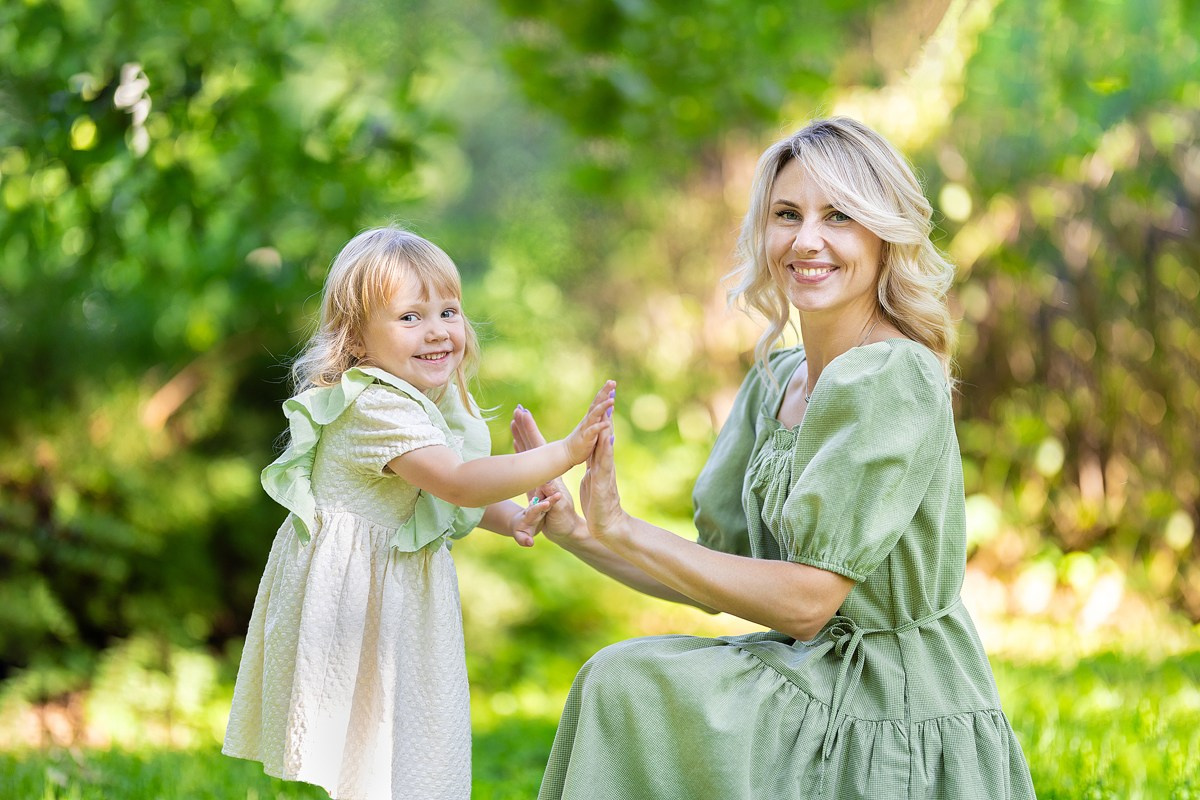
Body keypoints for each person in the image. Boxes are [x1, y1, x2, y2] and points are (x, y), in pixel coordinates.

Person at [513, 118, 1037, 799]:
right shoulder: (777, 382)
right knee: (615, 678)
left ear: (884, 235)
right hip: (808, 680)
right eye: (787, 215)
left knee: (625, 682)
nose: (806, 239)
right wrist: (581, 532)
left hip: (891, 710)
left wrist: (625, 528)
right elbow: (715, 579)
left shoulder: (889, 377)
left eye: (839, 216)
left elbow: (807, 602)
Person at [222, 226, 615, 800]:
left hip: (400, 591)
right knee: (377, 754)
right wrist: (565, 452)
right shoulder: (372, 404)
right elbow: (455, 482)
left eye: (448, 312)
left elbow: (434, 497)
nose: (437, 332)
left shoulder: (424, 399)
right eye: (410, 317)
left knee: (410, 748)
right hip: (359, 603)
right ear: (356, 338)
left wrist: (510, 519)